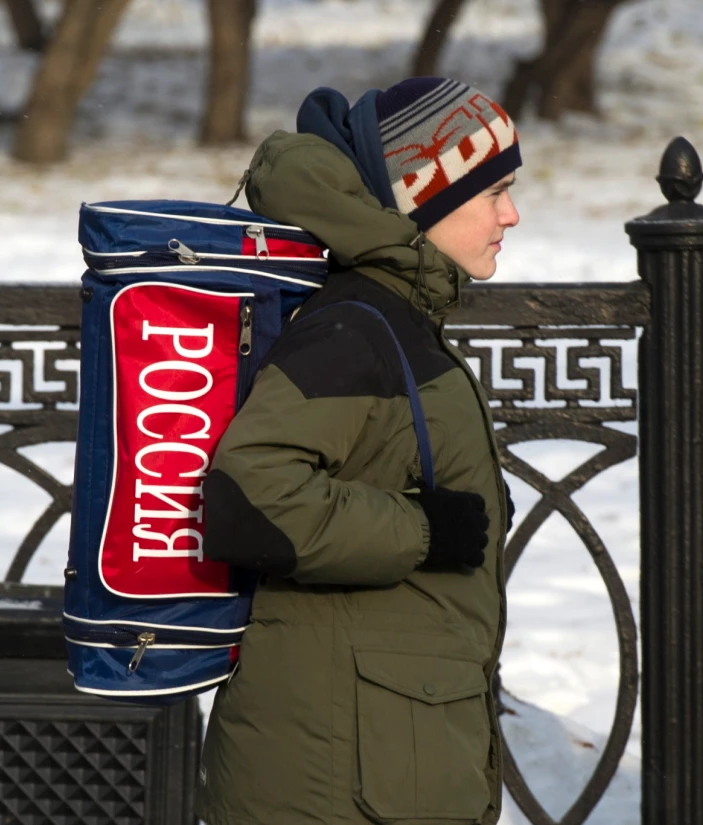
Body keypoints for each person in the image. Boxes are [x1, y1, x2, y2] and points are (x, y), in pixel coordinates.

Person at [197, 76, 520, 825]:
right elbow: (251, 498)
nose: (511, 213)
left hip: (372, 759)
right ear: (422, 197)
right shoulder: (354, 327)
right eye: (491, 192)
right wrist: (420, 530)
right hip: (335, 778)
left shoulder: (392, 316)